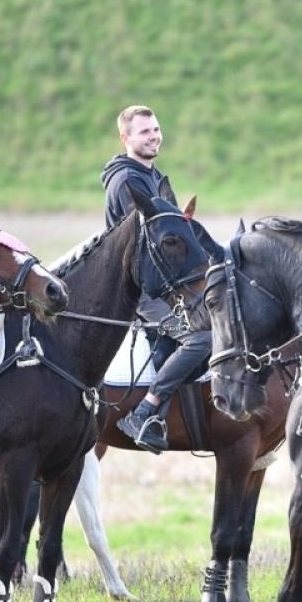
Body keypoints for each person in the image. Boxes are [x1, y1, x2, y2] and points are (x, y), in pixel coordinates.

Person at [103, 105, 212, 453]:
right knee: (203, 337)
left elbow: (178, 235)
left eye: (156, 130)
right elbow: (149, 250)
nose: (154, 136)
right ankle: (145, 411)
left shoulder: (153, 176)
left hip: (164, 285)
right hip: (143, 291)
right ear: (126, 138)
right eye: (144, 132)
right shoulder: (127, 182)